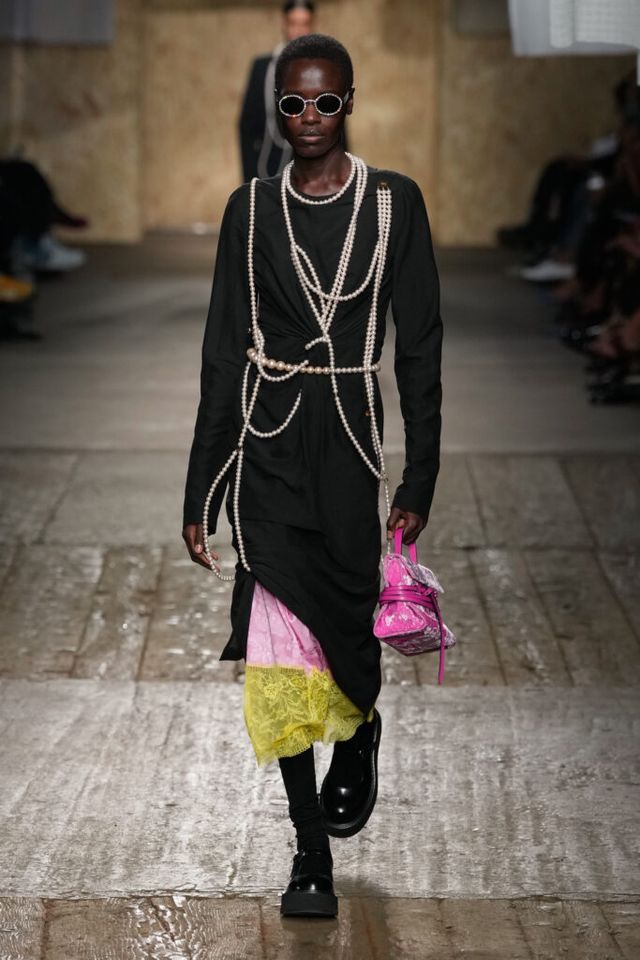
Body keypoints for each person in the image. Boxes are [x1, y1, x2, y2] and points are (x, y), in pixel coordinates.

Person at [183, 33, 443, 918]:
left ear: (349, 103)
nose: (308, 118)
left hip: (350, 453)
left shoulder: (393, 205)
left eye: (325, 101)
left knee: (348, 644)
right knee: (277, 657)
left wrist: (420, 476)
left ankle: (361, 726)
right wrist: (203, 483)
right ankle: (308, 853)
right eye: (293, 103)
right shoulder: (252, 210)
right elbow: (223, 350)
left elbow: (421, 348)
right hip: (268, 446)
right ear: (278, 108)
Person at [238, 0, 315, 182]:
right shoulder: (263, 68)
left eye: (304, 24)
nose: (299, 31)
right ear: (284, 23)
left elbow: (337, 125)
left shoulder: (322, 69)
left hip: (312, 170)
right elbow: (247, 126)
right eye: (293, 23)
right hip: (268, 167)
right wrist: (249, 180)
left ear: (313, 25)